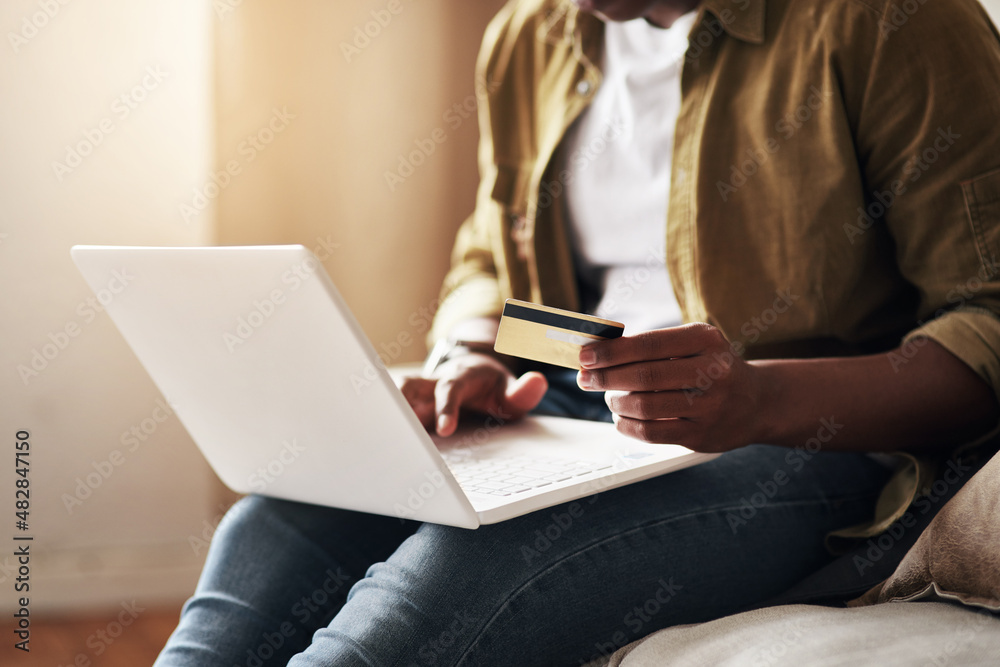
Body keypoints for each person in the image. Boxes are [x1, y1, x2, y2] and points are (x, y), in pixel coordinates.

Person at [155, 0, 1000, 664]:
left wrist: (760, 398)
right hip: (564, 405)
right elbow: (488, 251)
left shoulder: (893, 20)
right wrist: (472, 350)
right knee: (284, 511)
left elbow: (987, 319)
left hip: (806, 440)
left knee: (444, 582)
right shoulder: (532, 33)